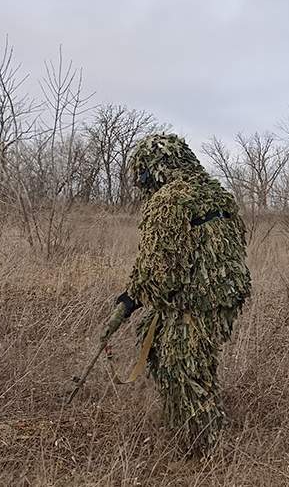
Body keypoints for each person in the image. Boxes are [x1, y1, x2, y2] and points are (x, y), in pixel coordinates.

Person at [117, 133, 251, 455]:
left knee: (179, 367)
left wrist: (131, 298)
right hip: (225, 298)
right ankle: (198, 426)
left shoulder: (170, 200)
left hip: (196, 302)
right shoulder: (219, 194)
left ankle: (200, 447)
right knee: (188, 359)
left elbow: (159, 267)